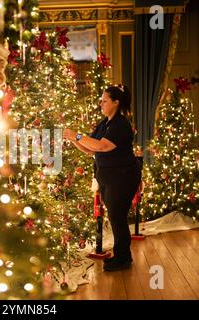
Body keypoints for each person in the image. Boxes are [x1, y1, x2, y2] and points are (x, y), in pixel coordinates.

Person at [63, 85, 141, 271]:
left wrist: (78, 135)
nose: (101, 103)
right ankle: (123, 256)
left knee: (117, 217)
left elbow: (103, 147)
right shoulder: (105, 123)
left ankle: (122, 258)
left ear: (116, 103)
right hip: (108, 176)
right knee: (115, 217)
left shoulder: (120, 124)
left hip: (122, 176)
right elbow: (91, 149)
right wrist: (74, 140)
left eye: (104, 100)